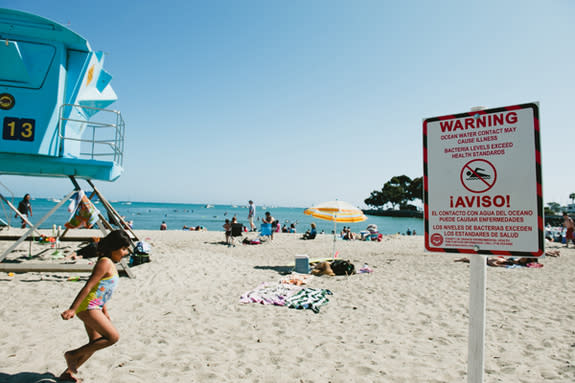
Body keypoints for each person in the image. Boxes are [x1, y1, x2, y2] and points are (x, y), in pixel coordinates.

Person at [60, 230, 131, 382]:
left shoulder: (109, 263)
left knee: (95, 343)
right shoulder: (104, 263)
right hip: (88, 307)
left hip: (95, 306)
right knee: (112, 337)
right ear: (114, 248)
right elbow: (88, 286)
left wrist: (105, 311)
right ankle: (71, 355)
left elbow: (101, 290)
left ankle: (69, 373)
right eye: (123, 249)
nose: (125, 253)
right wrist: (72, 309)